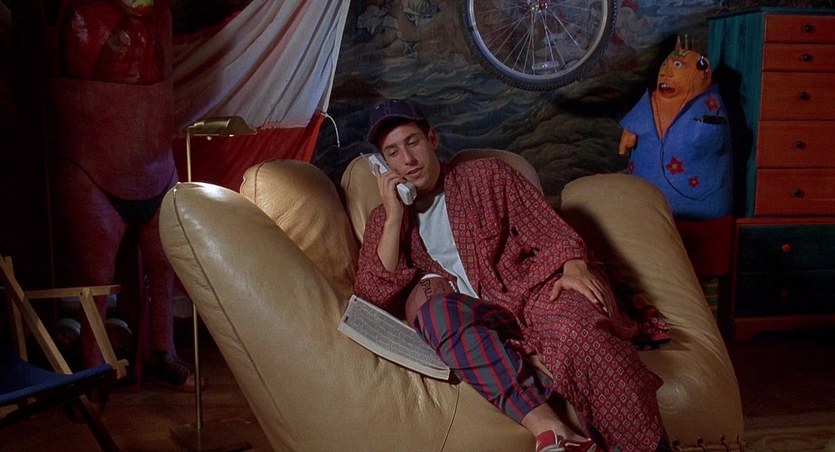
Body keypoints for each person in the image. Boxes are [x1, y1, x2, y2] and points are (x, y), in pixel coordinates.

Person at [354, 99, 669, 451]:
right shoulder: (386, 219)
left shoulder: (488, 176)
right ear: (384, 164)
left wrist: (574, 264)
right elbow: (372, 294)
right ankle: (550, 427)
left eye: (413, 142)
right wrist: (395, 216)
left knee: (580, 329)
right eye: (393, 152)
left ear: (432, 138)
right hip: (478, 320)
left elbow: (549, 230)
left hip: (530, 294)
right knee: (435, 313)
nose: (408, 160)